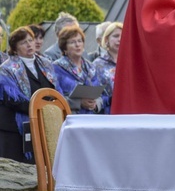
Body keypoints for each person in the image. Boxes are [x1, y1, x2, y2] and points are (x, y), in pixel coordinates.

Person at [0, 27, 62, 162]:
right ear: (15, 48)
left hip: (45, 122)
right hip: (17, 129)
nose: (29, 45)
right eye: (23, 42)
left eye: (30, 40)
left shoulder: (46, 63)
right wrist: (39, 107)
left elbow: (56, 90)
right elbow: (13, 99)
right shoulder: (7, 69)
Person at [53, 26, 105, 114]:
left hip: (91, 119)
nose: (77, 45)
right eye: (72, 42)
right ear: (64, 48)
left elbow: (101, 95)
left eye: (79, 41)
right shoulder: (56, 68)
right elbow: (55, 98)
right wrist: (79, 102)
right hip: (69, 118)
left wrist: (96, 104)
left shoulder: (90, 67)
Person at [93, 22, 122, 113]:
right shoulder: (98, 65)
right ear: (106, 40)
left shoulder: (132, 62)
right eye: (115, 36)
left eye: (123, 35)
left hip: (130, 113)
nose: (120, 39)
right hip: (107, 114)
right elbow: (94, 95)